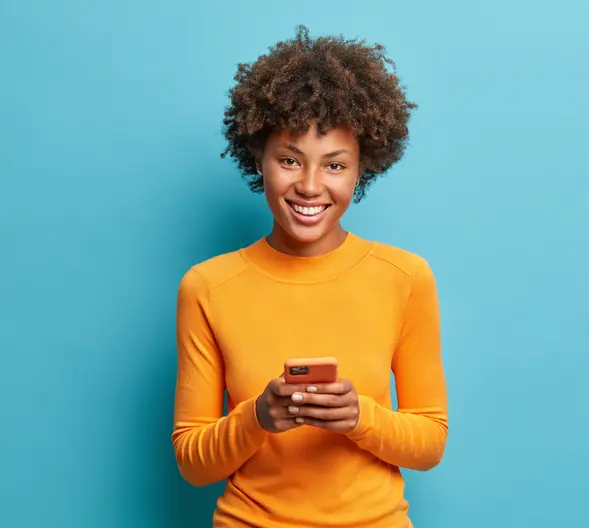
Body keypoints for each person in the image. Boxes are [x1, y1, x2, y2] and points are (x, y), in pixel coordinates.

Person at [172, 25, 448, 528]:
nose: (311, 186)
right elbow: (192, 462)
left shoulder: (405, 277)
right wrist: (258, 418)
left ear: (362, 168)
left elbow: (430, 443)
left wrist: (359, 418)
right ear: (259, 158)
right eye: (289, 160)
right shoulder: (207, 286)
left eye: (335, 165)